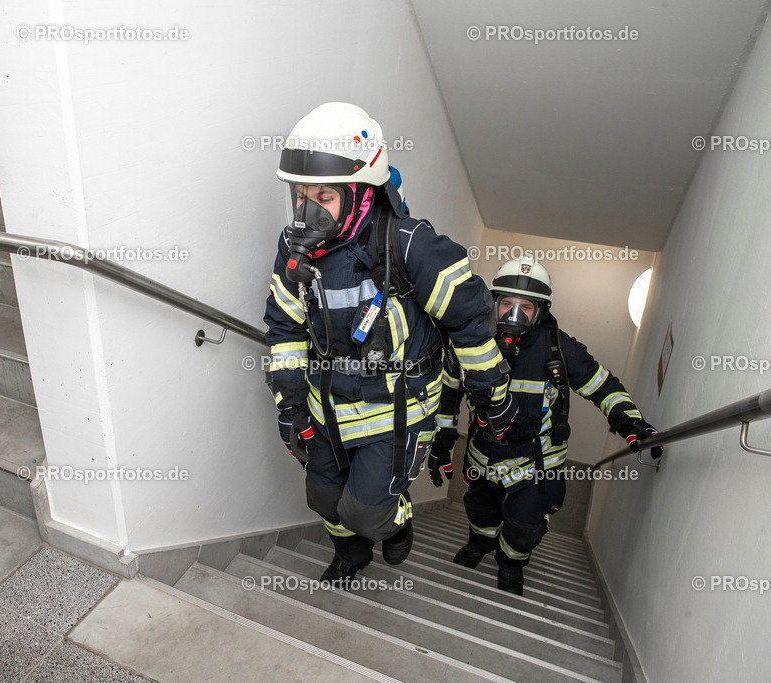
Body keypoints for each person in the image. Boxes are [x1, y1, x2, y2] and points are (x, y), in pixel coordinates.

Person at [263, 102, 516, 588]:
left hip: (396, 405)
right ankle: (352, 555)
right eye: (301, 195)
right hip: (326, 403)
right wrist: (290, 406)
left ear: (361, 193)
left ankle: (395, 520)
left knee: (368, 511)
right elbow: (285, 327)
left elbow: (470, 324)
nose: (308, 210)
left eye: (324, 196)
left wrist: (493, 398)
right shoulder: (291, 248)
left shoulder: (409, 244)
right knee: (323, 498)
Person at [427, 256, 664, 595]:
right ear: (493, 303)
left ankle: (510, 565)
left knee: (524, 528)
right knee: (480, 510)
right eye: (507, 303)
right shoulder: (471, 342)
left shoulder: (561, 350)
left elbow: (603, 387)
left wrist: (630, 422)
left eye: (526, 307)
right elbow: (449, 394)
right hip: (484, 453)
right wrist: (442, 443)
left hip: (537, 462)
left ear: (541, 311)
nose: (514, 314)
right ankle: (480, 544)